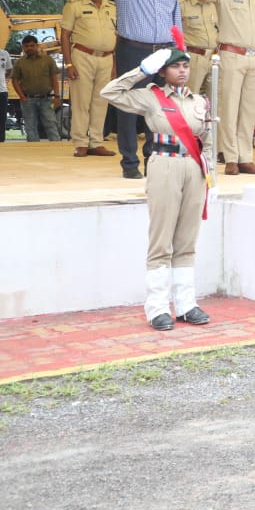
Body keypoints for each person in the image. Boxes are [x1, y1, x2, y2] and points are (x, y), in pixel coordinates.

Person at [101, 43, 212, 330]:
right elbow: (110, 93)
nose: (182, 71)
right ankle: (157, 307)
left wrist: (209, 175)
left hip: (194, 168)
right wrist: (141, 71)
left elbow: (207, 139)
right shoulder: (152, 97)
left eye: (185, 66)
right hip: (164, 164)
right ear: (162, 71)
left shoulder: (199, 101)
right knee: (161, 239)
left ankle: (186, 304)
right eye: (175, 66)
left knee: (187, 240)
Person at [93, 0, 183, 179]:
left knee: (161, 107)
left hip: (164, 51)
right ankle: (130, 164)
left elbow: (175, 18)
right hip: (133, 49)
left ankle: (154, 160)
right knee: (129, 107)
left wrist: (179, 52)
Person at [190, 0, 255, 175]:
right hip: (232, 54)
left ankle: (246, 157)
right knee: (229, 107)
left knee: (249, 111)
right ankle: (230, 157)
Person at [59, 0, 117, 157]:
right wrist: (69, 63)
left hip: (107, 58)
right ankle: (80, 142)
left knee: (101, 102)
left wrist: (114, 65)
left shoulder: (112, 7)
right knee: (81, 102)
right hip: (82, 56)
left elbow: (117, 37)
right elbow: (65, 35)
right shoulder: (74, 5)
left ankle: (96, 142)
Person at [10, 36, 62, 141]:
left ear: (37, 46)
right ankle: (32, 149)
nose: (29, 48)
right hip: (28, 100)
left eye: (32, 45)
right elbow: (14, 80)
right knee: (30, 127)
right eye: (26, 46)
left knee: (51, 124)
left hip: (46, 99)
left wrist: (57, 96)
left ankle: (56, 147)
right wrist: (22, 96)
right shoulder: (20, 62)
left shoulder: (48, 60)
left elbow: (54, 79)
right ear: (23, 47)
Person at [178, 0, 220, 96]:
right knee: (190, 97)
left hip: (215, 57)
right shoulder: (181, 5)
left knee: (216, 99)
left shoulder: (215, 4)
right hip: (193, 57)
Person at [0, 45, 12, 142]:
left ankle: (1, 142)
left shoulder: (4, 53)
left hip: (2, 91)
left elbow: (9, 69)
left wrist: (5, 78)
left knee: (2, 118)